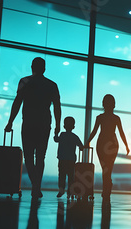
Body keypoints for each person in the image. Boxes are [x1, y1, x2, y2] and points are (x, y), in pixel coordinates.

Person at [5, 57, 61, 198]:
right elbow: (57, 107)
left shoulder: (24, 82)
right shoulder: (51, 85)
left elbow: (17, 102)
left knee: (29, 157)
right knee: (40, 157)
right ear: (44, 69)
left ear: (32, 67)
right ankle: (37, 186)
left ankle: (35, 186)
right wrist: (58, 124)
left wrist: (10, 121)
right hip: (44, 124)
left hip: (28, 123)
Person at [86, 94, 130, 199]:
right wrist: (126, 145)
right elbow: (121, 133)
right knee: (107, 169)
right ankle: (107, 188)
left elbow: (94, 132)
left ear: (103, 104)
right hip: (111, 144)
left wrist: (87, 142)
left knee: (105, 168)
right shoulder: (115, 118)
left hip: (103, 144)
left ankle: (106, 188)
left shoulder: (101, 118)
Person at [53, 116, 83, 198]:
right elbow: (81, 146)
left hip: (62, 159)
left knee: (62, 175)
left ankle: (61, 190)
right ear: (73, 127)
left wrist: (56, 133)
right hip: (71, 160)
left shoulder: (62, 135)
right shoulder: (74, 136)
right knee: (71, 177)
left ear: (64, 126)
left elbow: (56, 139)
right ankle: (70, 192)